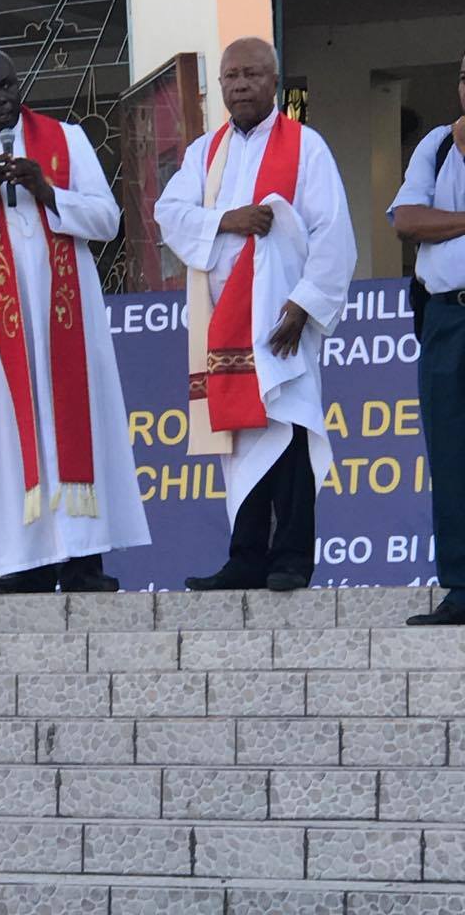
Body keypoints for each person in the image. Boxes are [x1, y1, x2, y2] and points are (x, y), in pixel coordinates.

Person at [0, 47, 150, 594]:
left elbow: (108, 221)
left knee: (74, 425)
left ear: (18, 84)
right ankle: (24, 563)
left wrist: (49, 193)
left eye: (5, 86)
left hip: (67, 321)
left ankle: (82, 561)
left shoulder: (66, 140)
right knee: (8, 437)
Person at [155, 37, 356, 592]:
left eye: (252, 74)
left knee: (288, 429)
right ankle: (245, 557)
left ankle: (290, 557)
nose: (240, 85)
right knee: (240, 438)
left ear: (274, 81)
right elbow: (169, 212)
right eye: (231, 76)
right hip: (224, 321)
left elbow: (333, 235)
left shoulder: (306, 147)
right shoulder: (205, 152)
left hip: (281, 322)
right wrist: (228, 219)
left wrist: (304, 306)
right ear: (219, 87)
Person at [389, 54, 465, 624]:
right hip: (448, 317)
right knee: (451, 453)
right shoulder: (437, 145)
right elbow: (407, 220)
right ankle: (461, 589)